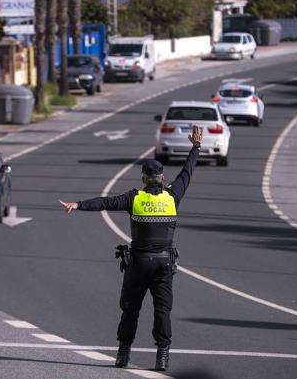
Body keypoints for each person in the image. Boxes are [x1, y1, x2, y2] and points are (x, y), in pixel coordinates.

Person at [59, 125, 204, 371]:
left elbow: (105, 202)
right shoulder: (172, 196)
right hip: (164, 264)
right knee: (162, 311)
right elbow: (186, 174)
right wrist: (196, 147)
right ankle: (162, 357)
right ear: (162, 178)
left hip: (138, 264)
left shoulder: (134, 198)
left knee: (130, 310)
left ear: (144, 179)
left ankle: (123, 355)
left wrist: (78, 204)